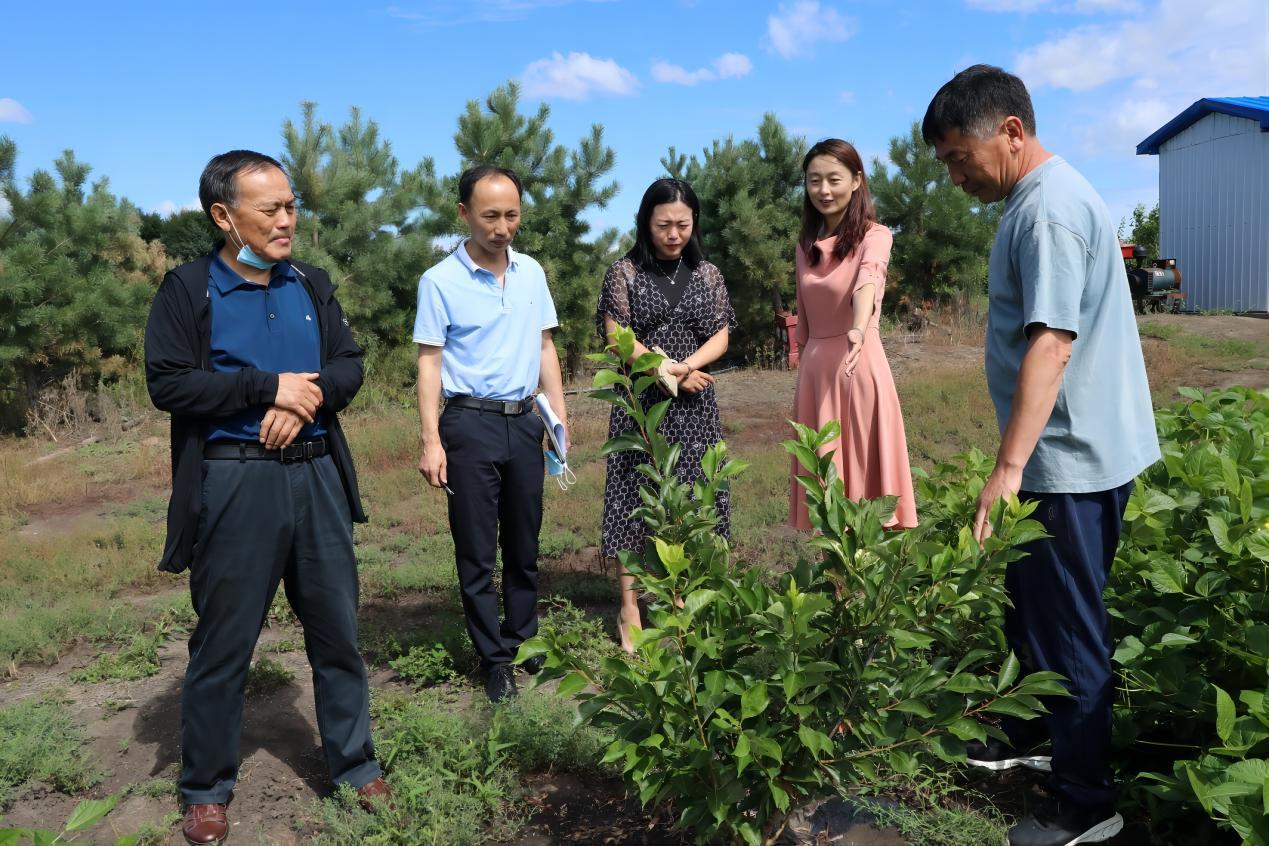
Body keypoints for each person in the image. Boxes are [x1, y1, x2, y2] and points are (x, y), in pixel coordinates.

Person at [922, 65, 1160, 846]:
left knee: (1068, 631)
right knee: (1030, 609)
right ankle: (1031, 736)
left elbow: (1051, 344)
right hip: (1057, 458)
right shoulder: (1034, 201)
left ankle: (1087, 804)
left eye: (959, 157)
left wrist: (1007, 468)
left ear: (1011, 132)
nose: (954, 177)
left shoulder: (1048, 210)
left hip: (1068, 462)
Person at [144, 151, 388, 845]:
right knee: (223, 644)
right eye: (270, 209)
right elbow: (169, 385)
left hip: (315, 478)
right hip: (234, 481)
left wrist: (304, 397)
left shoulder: (310, 282)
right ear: (224, 216)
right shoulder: (189, 290)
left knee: (337, 632)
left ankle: (355, 764)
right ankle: (205, 788)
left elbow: (348, 366)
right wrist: (265, 386)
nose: (287, 220)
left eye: (290, 206)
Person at [414, 165, 568, 703]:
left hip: (525, 420)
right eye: (490, 216)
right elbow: (429, 362)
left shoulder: (532, 273)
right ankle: (494, 658)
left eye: (512, 216)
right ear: (463, 214)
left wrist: (558, 418)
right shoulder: (440, 281)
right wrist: (431, 440)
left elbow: (544, 347)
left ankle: (522, 638)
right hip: (468, 424)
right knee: (477, 550)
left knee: (525, 543)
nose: (502, 228)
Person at [596, 178, 735, 653]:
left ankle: (682, 598)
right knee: (634, 503)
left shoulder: (708, 274)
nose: (673, 234)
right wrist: (664, 374)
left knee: (695, 499)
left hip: (697, 402)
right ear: (646, 222)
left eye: (682, 224)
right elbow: (617, 336)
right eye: (663, 225)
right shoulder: (625, 273)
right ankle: (630, 607)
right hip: (641, 404)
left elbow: (721, 334)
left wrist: (687, 368)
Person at [789, 139, 917, 531]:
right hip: (815, 373)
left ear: (856, 180)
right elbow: (804, 322)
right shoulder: (804, 246)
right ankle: (838, 583)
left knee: (865, 484)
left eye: (834, 179)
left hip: (857, 362)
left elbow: (869, 280)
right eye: (814, 181)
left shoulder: (874, 235)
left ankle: (870, 583)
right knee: (826, 488)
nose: (824, 190)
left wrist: (859, 328)